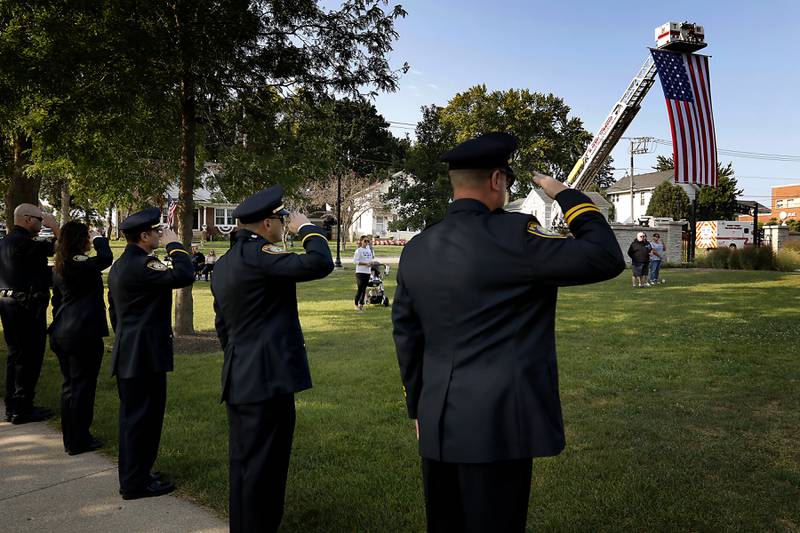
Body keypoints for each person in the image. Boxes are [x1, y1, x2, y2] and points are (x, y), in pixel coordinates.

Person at [392, 132, 625, 533]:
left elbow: (407, 337)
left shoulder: (417, 247)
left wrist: (418, 407)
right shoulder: (516, 236)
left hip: (438, 418)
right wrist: (566, 195)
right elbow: (605, 256)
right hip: (498, 423)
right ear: (497, 180)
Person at [211, 185, 333, 533]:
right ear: (267, 224)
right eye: (281, 220)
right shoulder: (259, 255)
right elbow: (319, 262)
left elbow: (223, 326)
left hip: (240, 375)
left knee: (245, 465)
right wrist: (307, 228)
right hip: (267, 379)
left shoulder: (224, 264)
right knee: (267, 468)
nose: (284, 226)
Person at [108, 208, 195, 500]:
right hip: (143, 354)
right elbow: (184, 274)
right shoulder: (143, 264)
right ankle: (135, 483)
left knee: (136, 419)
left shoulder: (123, 264)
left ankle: (138, 474)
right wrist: (175, 245)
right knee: (142, 420)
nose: (160, 234)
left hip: (131, 351)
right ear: (143, 236)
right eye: (157, 231)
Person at [49, 222, 113, 455]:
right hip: (81, 333)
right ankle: (78, 439)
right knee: (82, 387)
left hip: (63, 332)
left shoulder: (60, 265)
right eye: (86, 236)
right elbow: (105, 258)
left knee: (71, 387)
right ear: (80, 239)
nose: (89, 239)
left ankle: (72, 436)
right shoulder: (78, 262)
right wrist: (99, 237)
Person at [0, 203, 60, 424]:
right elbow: (61, 249)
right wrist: (55, 227)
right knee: (30, 356)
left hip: (8, 302)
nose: (41, 223)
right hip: (26, 305)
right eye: (39, 219)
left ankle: (13, 406)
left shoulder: (5, 242)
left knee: (15, 355)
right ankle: (22, 408)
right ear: (27, 219)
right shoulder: (26, 242)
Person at [353, 235, 376, 311]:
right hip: (360, 272)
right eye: (365, 241)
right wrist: (365, 264)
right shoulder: (358, 250)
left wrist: (372, 263)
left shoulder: (369, 250)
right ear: (361, 241)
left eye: (368, 241)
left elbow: (370, 259)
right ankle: (356, 304)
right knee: (360, 289)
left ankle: (361, 305)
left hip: (367, 272)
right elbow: (355, 262)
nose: (366, 242)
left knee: (364, 289)